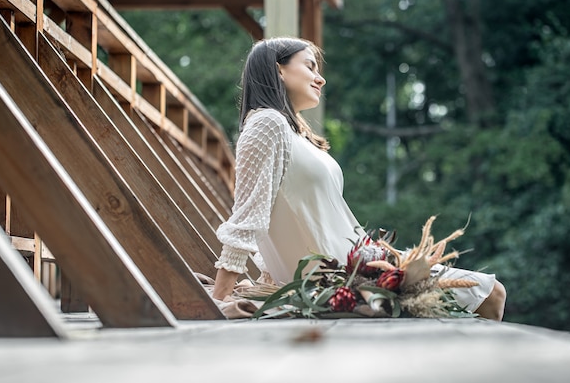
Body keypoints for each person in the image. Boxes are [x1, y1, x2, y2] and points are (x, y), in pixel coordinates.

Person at [212, 37, 506, 321]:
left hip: (363, 265)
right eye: (310, 66)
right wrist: (219, 299)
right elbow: (248, 217)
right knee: (491, 294)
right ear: (278, 68)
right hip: (340, 279)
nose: (320, 78)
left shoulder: (293, 133)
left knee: (492, 293)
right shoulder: (267, 124)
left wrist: (269, 274)